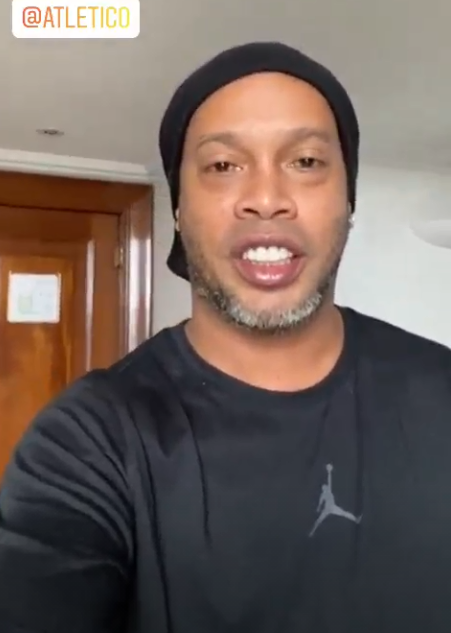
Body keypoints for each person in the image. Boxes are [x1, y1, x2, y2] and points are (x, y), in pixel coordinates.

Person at [1, 41, 451, 633]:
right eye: (222, 166)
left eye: (306, 161)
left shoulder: (441, 393)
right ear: (179, 210)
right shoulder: (88, 442)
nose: (266, 199)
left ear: (348, 200)